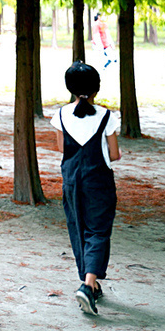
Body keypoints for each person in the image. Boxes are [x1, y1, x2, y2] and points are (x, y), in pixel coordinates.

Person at [50, 62, 121, 315]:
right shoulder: (107, 116)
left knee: (77, 227)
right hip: (98, 181)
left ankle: (89, 282)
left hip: (71, 181)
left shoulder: (59, 115)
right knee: (98, 231)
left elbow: (61, 149)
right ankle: (88, 285)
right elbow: (114, 154)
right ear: (96, 89)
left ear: (70, 88)